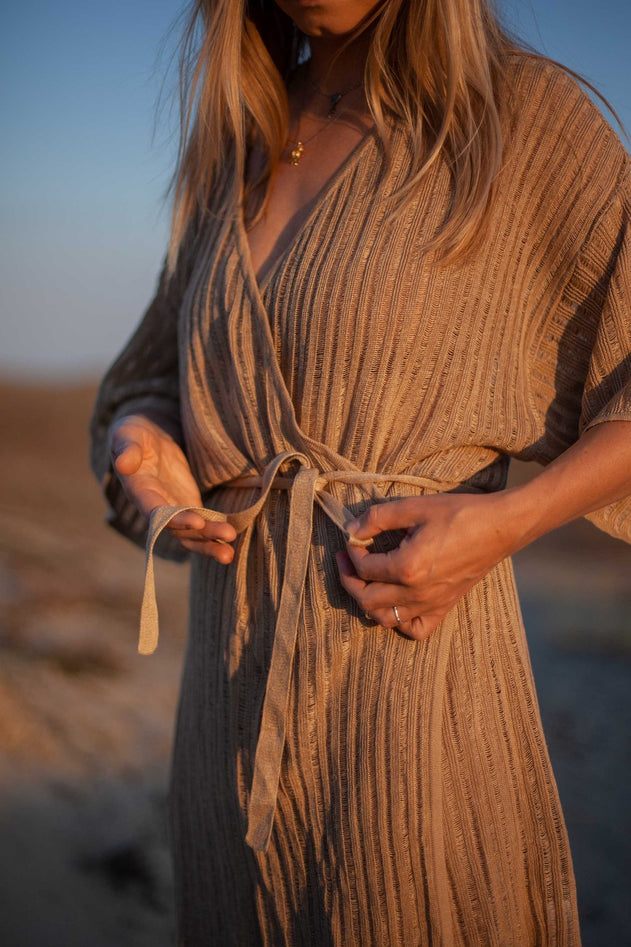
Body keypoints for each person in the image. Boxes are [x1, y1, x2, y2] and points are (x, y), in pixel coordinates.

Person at [89, 0, 631, 943]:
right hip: (225, 696)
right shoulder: (239, 141)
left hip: (410, 683)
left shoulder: (522, 117)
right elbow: (148, 378)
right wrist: (140, 442)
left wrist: (509, 522)